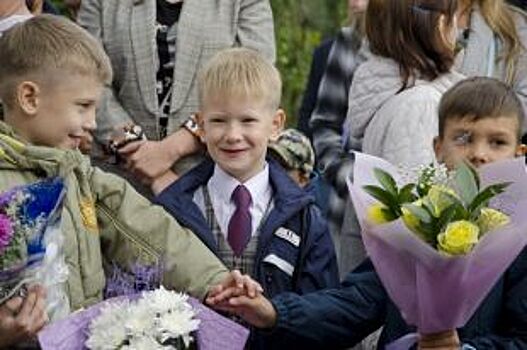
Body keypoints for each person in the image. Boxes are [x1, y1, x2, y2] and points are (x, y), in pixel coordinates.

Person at [208, 77, 527, 350]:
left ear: (519, 152)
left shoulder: (520, 238)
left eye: (497, 142)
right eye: (463, 138)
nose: (479, 154)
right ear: (438, 147)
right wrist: (274, 313)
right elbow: (355, 303)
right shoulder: (416, 223)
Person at [0, 15, 259, 348]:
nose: (93, 122)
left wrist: (218, 281)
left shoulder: (80, 173)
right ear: (30, 98)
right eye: (83, 106)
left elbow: (150, 232)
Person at [155, 48, 339, 349]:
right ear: (200, 125)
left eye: (247, 120)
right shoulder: (172, 210)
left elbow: (321, 311)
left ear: (276, 125)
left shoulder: (305, 216)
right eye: (218, 121)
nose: (232, 134)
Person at [77, 0, 276, 196]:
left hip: (212, 178)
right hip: (117, 179)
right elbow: (86, 79)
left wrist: (170, 150)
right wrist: (142, 155)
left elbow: (256, 84)